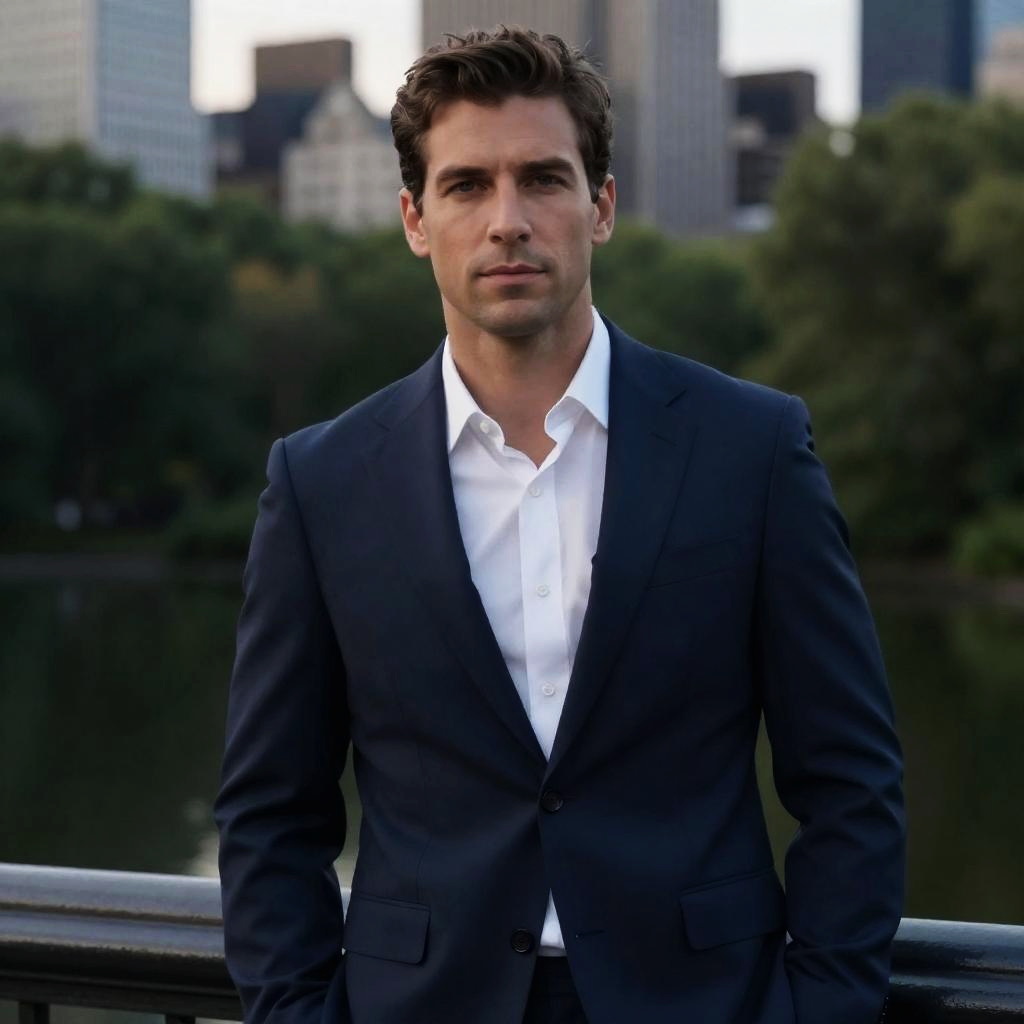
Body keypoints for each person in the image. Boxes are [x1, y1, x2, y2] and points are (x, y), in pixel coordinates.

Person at [215, 26, 905, 1024]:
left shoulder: (750, 449)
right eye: (466, 186)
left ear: (602, 206)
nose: (507, 221)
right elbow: (270, 810)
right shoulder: (322, 481)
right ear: (414, 220)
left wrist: (820, 1011)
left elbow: (850, 780)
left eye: (542, 179)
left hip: (700, 1004)